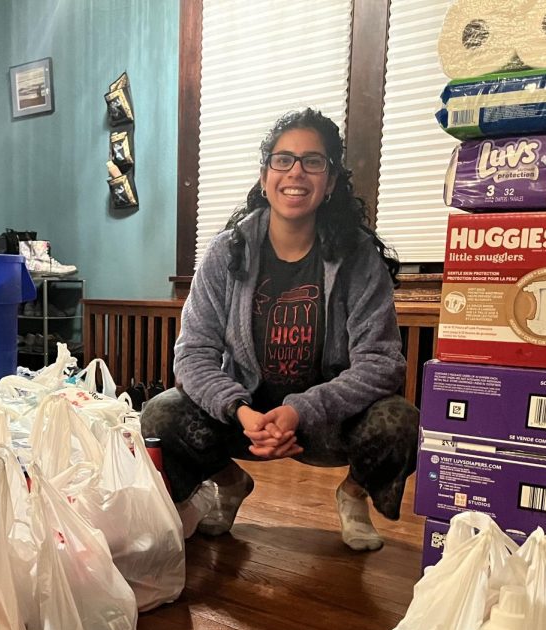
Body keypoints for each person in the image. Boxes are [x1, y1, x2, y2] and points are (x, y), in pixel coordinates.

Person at [141, 108, 418, 550]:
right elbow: (192, 354)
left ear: (330, 181)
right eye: (283, 159)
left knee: (398, 422)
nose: (296, 172)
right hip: (245, 418)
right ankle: (230, 484)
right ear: (265, 173)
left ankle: (352, 496)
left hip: (326, 421)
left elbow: (382, 363)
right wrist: (241, 410)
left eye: (313, 161)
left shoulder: (358, 257)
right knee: (160, 414)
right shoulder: (226, 254)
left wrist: (298, 411)